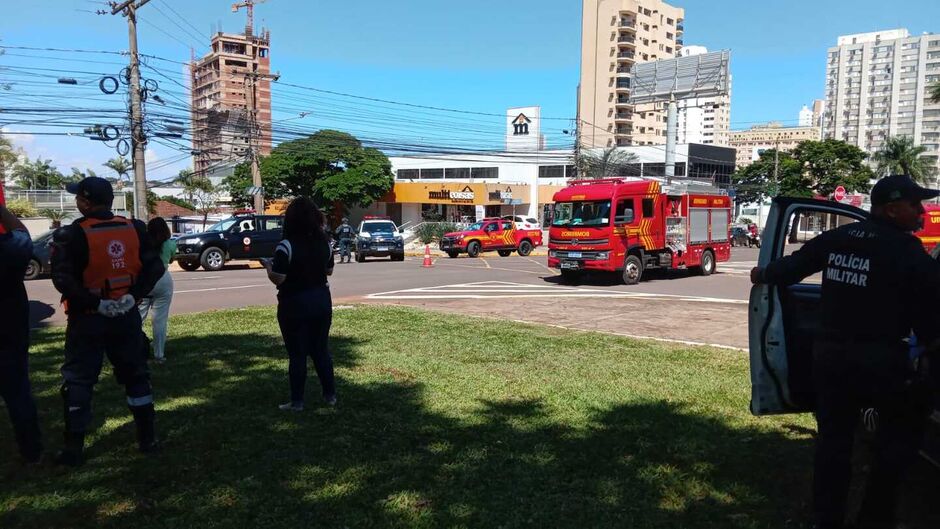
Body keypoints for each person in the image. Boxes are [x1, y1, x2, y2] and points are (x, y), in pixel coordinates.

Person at [750, 175, 940, 529]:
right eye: (915, 205)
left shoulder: (837, 239)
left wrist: (761, 272)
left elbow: (792, 268)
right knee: (893, 445)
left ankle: (827, 518)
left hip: (830, 359)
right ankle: (875, 518)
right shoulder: (907, 251)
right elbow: (930, 311)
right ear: (891, 208)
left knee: (833, 444)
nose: (922, 211)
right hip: (880, 361)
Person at [50, 177, 165, 466]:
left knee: (78, 380)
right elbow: (155, 267)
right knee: (136, 375)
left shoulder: (72, 234)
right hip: (125, 318)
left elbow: (62, 279)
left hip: (88, 320)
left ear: (86, 202)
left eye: (79, 198)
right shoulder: (134, 229)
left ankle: (73, 448)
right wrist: (133, 296)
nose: (77, 201)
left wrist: (97, 303)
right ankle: (147, 438)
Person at [262, 197, 336, 411]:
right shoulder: (324, 243)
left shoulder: (286, 246)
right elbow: (329, 271)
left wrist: (268, 267)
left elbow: (279, 278)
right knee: (321, 350)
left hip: (294, 302)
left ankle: (297, 402)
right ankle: (330, 396)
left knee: (297, 354)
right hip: (322, 300)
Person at [0, 205, 43, 464]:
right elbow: (23, 233)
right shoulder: (9, 248)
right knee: (18, 395)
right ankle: (32, 452)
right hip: (9, 333)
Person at [138, 217, 176, 363]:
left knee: (138, 318)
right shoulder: (170, 244)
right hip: (163, 279)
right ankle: (159, 355)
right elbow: (171, 260)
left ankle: (135, 351)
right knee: (160, 320)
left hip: (146, 280)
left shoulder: (143, 244)